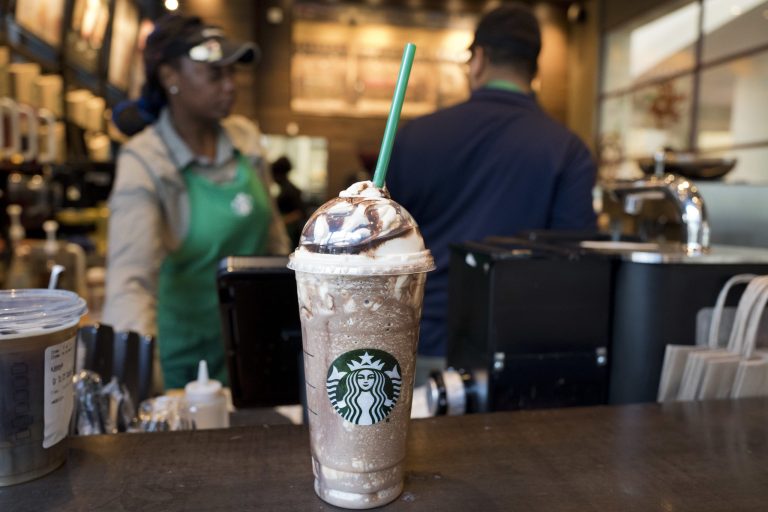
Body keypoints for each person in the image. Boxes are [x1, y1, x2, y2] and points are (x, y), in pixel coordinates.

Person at [386, 4, 597, 383]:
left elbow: (384, 245)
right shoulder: (567, 149)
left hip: (419, 343)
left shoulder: (416, 135)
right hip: (514, 353)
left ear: (479, 59)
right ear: (534, 69)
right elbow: (574, 265)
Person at [103, 14, 290, 390]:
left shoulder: (245, 141)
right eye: (214, 74)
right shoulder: (146, 161)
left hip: (262, 351)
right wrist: (132, 386)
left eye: (231, 74)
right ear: (170, 76)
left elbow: (276, 247)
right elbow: (130, 284)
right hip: (187, 370)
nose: (229, 86)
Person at [271, 156, 307, 248]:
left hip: (291, 231)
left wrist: (281, 222)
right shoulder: (285, 188)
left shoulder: (289, 190)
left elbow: (300, 212)